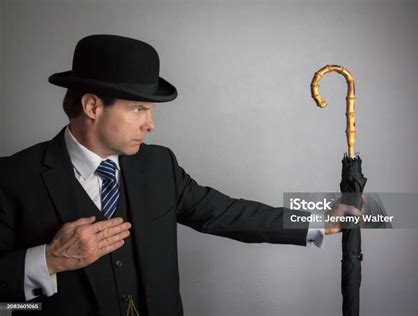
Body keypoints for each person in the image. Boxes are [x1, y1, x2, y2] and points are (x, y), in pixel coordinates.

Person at [0, 34, 364, 316]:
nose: (150, 124)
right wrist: (48, 260)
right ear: (92, 106)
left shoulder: (158, 165)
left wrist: (317, 217)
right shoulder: (13, 177)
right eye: (138, 109)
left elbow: (225, 213)